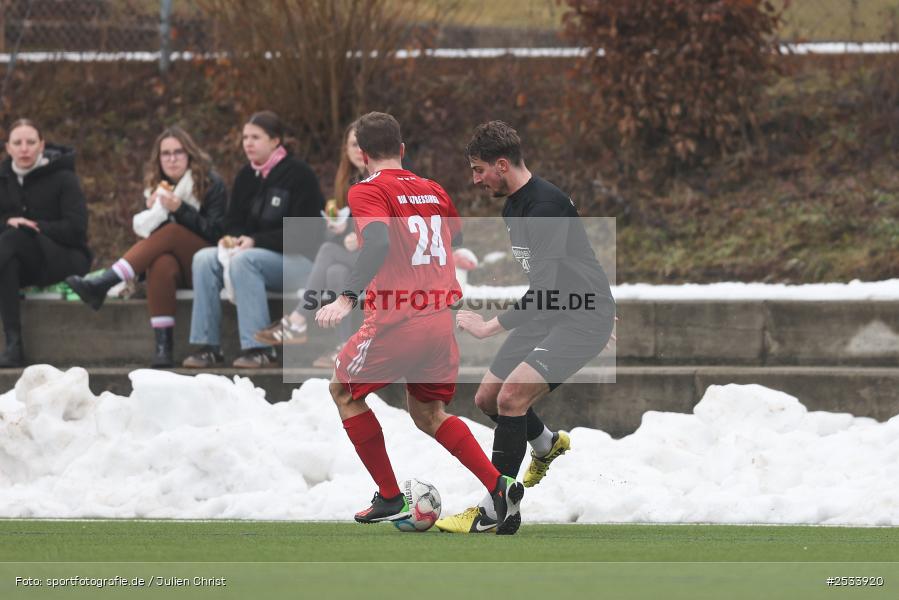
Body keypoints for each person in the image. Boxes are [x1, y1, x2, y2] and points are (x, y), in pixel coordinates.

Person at [314, 112, 524, 534]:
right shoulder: (433, 189)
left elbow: (377, 242)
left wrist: (346, 295)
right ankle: (498, 485)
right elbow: (455, 237)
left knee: (342, 391)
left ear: (364, 153)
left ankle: (390, 496)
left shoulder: (367, 190)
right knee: (429, 412)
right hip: (439, 322)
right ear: (403, 149)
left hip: (398, 319)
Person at [436, 120, 616, 533]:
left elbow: (547, 288)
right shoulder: (513, 205)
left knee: (512, 398)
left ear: (502, 164)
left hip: (579, 317)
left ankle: (495, 508)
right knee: (487, 398)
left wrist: (488, 327)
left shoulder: (544, 207)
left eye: (479, 169)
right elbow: (570, 264)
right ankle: (545, 445)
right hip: (559, 309)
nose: (475, 179)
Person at [66, 126, 227, 367]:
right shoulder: (156, 187)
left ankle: (106, 281)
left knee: (171, 232)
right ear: (158, 159)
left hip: (207, 265)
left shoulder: (211, 183)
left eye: (178, 153)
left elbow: (216, 233)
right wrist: (155, 212)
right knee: (161, 263)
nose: (172, 159)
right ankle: (163, 348)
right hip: (177, 269)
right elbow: (151, 240)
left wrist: (179, 209)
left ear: (190, 155)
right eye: (166, 154)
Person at [182, 111, 324, 368]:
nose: (248, 143)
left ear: (275, 141)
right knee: (204, 259)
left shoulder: (300, 175)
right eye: (245, 137)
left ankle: (259, 349)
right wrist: (235, 239)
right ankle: (208, 347)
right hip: (254, 254)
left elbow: (307, 233)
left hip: (300, 263)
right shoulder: (246, 175)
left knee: (245, 261)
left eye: (256, 137)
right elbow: (233, 221)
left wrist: (256, 241)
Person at [254, 123, 365, 367]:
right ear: (345, 150)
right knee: (336, 272)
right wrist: (339, 230)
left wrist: (359, 237)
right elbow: (350, 232)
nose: (360, 150)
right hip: (355, 261)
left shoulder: (381, 180)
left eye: (365, 143)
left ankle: (298, 319)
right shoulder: (349, 181)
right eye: (353, 145)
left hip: (385, 262)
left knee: (327, 252)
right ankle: (345, 347)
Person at [0, 119, 91, 367]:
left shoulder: (64, 178)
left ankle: (13, 345)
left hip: (65, 257)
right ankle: (13, 345)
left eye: (31, 142)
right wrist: (9, 221)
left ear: (42, 145)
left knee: (12, 239)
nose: (24, 148)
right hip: (19, 260)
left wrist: (36, 226)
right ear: (8, 147)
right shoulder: (2, 178)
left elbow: (77, 229)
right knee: (8, 255)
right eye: (17, 143)